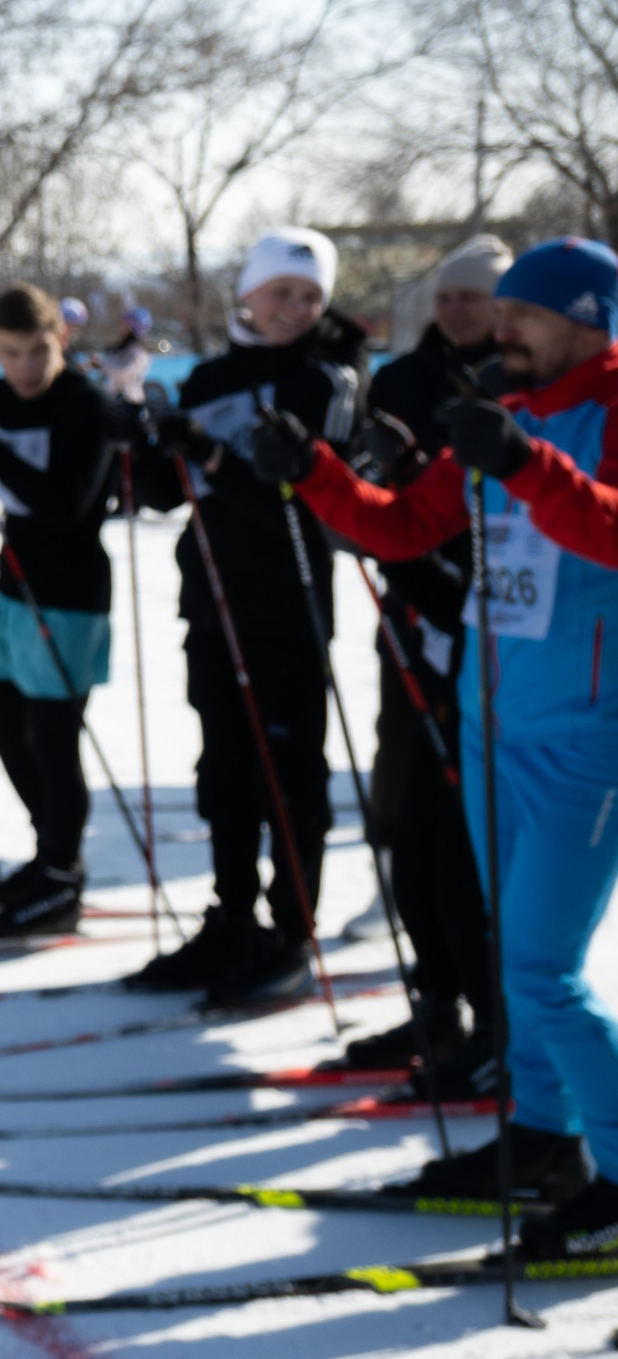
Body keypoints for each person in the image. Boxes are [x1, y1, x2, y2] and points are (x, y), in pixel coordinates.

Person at [257, 238, 618, 1238]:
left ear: (587, 321)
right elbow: (406, 526)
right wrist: (315, 473)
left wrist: (527, 466)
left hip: (591, 734)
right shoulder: (505, 414)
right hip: (495, 721)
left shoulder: (600, 411)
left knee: (543, 967)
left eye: (523, 316)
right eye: (498, 314)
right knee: (512, 953)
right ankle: (541, 1138)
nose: (501, 331)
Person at [127, 227, 367, 1007]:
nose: (294, 307)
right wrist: (152, 444)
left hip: (288, 606)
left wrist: (216, 457)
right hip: (213, 601)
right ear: (248, 296)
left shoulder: (325, 379)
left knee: (289, 778)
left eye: (309, 295)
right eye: (280, 292)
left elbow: (303, 510)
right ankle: (231, 918)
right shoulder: (210, 377)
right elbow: (166, 494)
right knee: (224, 772)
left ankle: (291, 931)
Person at [332, 233, 509, 1085]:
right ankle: (437, 1002)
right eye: (446, 296)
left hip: (488, 631)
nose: (456, 310)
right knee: (406, 822)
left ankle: (493, 1021)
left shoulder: (525, 389)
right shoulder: (406, 377)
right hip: (412, 616)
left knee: (461, 846)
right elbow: (392, 493)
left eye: (473, 296)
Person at [0, 285, 121, 937]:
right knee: (2, 723)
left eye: (38, 350)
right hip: (13, 585)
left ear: (63, 340)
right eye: (11, 352)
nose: (25, 367)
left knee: (54, 739)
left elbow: (69, 505)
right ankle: (48, 851)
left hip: (71, 590)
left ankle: (62, 874)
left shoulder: (85, 404)